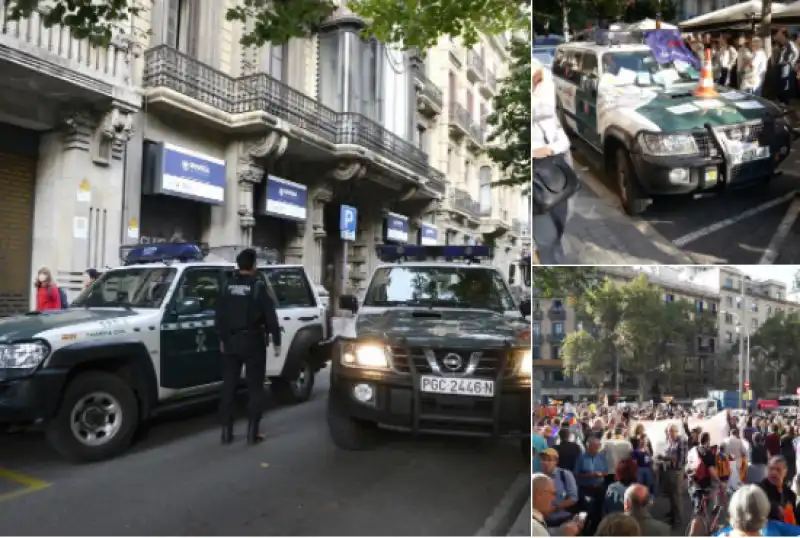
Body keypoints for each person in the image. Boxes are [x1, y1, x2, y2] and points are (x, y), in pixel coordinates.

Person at [215, 248, 281, 445]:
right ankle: (253, 433)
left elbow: (219, 316)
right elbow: (271, 317)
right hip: (253, 342)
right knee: (255, 388)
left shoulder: (227, 286)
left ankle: (226, 433)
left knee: (228, 387)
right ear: (253, 266)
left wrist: (222, 338)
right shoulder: (258, 287)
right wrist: (276, 341)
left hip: (231, 342)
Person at [532, 56, 573, 264]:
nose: (539, 82)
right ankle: (549, 260)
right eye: (535, 79)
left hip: (556, 174)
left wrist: (549, 148)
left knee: (558, 230)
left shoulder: (546, 109)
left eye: (539, 78)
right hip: (536, 181)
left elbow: (563, 140)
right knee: (546, 238)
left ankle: (553, 258)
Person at [540, 448, 580, 529]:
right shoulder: (539, 477)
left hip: (563, 521)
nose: (545, 463)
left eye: (549, 460)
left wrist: (554, 508)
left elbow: (573, 498)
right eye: (543, 460)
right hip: (544, 522)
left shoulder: (565, 475)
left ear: (556, 462)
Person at [657, 422, 687, 528]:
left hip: (676, 471)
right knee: (671, 494)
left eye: (671, 431)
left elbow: (679, 459)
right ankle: (673, 514)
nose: (669, 433)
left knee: (676, 496)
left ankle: (678, 520)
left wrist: (665, 458)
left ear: (675, 431)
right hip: (669, 469)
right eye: (668, 431)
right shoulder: (669, 441)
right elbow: (670, 456)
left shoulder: (680, 441)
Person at [758, 456, 799, 525]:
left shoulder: (791, 495)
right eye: (771, 469)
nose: (774, 472)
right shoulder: (759, 490)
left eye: (778, 470)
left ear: (785, 473)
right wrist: (775, 509)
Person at [776, 28, 799, 104]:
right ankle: (782, 102)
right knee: (780, 85)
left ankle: (785, 104)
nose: (778, 36)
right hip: (781, 66)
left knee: (784, 86)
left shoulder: (790, 43)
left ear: (783, 35)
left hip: (786, 66)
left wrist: (790, 62)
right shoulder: (783, 44)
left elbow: (796, 52)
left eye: (779, 35)